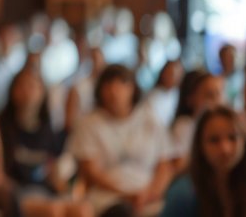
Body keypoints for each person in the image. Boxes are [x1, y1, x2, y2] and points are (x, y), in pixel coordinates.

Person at [68, 65, 173, 216]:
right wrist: (126, 195)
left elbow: (165, 165)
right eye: (108, 85)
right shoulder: (89, 123)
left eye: (122, 84)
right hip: (107, 197)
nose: (114, 91)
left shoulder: (150, 118)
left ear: (133, 88)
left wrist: (151, 193)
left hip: (147, 194)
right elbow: (90, 172)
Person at [0, 68, 90, 217]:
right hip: (17, 191)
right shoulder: (1, 128)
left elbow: (53, 168)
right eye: (22, 86)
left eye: (32, 86)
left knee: (82, 209)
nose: (27, 92)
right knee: (53, 210)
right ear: (13, 91)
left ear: (42, 92)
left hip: (46, 190)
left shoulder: (47, 130)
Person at [161, 105, 246, 217]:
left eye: (232, 137)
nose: (225, 148)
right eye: (214, 140)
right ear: (200, 145)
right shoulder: (183, 194)